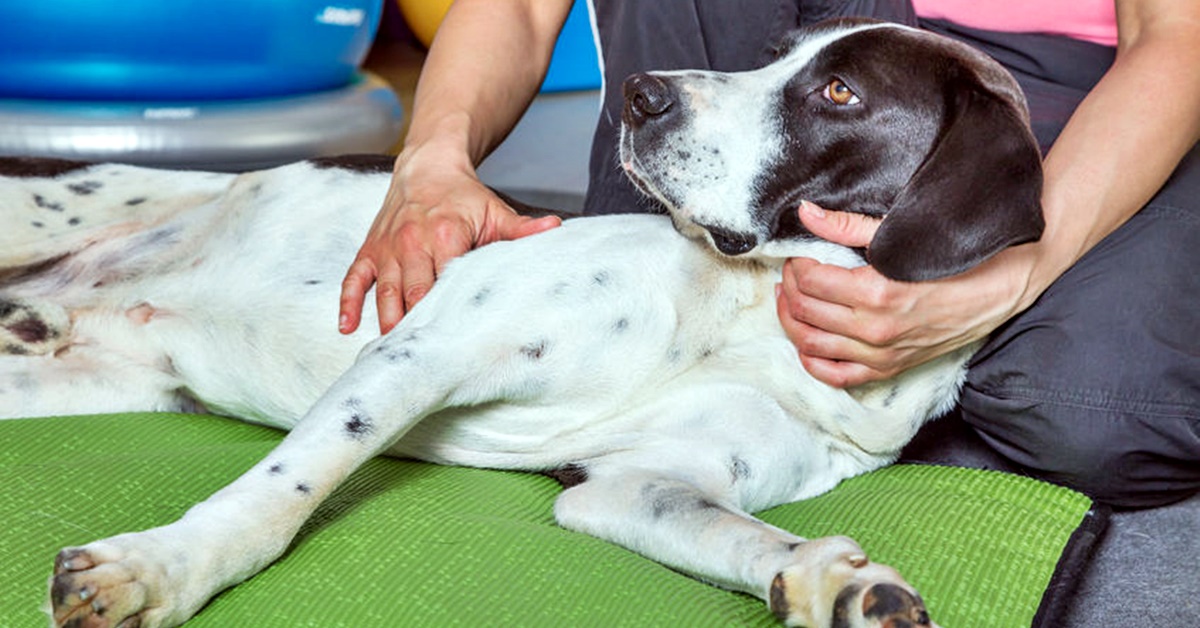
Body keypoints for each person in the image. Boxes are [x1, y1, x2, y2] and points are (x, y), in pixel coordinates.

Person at [338, 0, 1200, 509]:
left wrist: (1007, 280)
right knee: (638, 306)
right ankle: (702, 257)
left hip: (1090, 75)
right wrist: (432, 162)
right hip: (829, 28)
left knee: (1093, 412)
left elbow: (1176, 36)